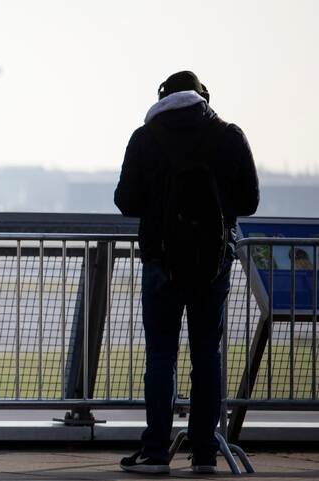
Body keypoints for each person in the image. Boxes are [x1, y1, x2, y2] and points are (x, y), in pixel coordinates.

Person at [114, 71, 259, 475]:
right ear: (203, 97)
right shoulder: (229, 135)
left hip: (160, 261)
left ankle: (156, 451)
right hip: (213, 265)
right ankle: (204, 454)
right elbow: (249, 201)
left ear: (162, 97)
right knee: (207, 357)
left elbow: (125, 201)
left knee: (161, 357)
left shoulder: (145, 138)